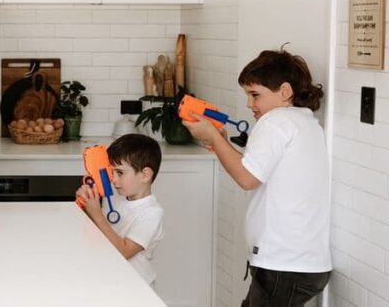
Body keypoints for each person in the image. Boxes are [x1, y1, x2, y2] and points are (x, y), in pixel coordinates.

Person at [183, 49, 331, 306]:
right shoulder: (303, 122)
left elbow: (246, 178)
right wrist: (219, 142)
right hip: (299, 263)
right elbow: (254, 168)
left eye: (255, 95)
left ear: (285, 92)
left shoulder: (275, 122)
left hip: (282, 265)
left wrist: (214, 138)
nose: (250, 104)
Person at [76, 133, 165, 286]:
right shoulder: (115, 198)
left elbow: (125, 251)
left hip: (136, 286)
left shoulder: (152, 213)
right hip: (110, 280)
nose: (114, 180)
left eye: (120, 173)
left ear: (145, 175)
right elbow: (99, 231)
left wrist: (96, 213)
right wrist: (86, 207)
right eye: (112, 172)